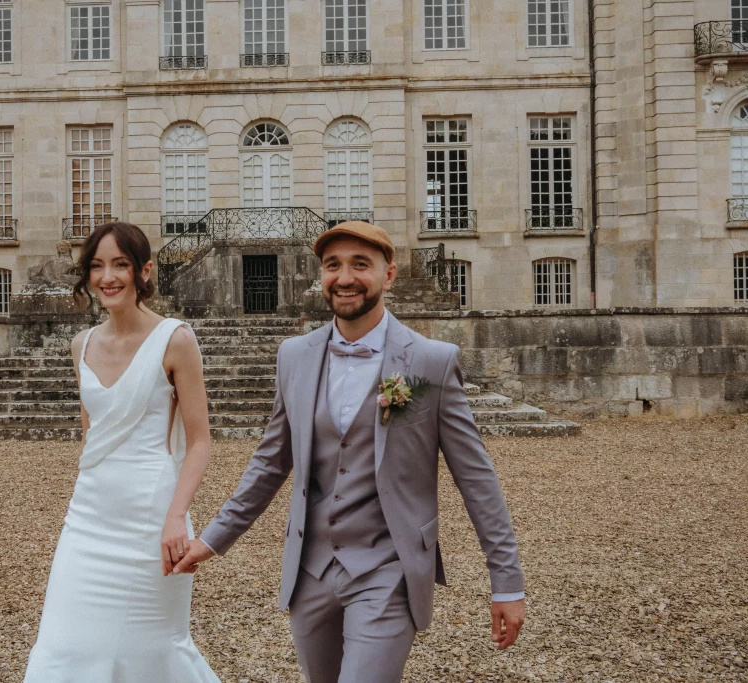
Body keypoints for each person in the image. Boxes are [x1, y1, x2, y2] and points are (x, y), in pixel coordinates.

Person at [173, 221, 526, 683]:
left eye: (361, 265)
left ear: (389, 275)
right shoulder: (294, 356)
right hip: (310, 571)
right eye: (333, 265)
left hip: (388, 568)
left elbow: (476, 479)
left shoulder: (430, 362)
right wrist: (214, 538)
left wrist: (507, 581)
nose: (344, 278)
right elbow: (270, 461)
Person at [23, 222, 219, 682]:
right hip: (88, 521)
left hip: (151, 520)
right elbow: (92, 439)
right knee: (61, 647)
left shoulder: (176, 339)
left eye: (119, 265)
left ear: (144, 270)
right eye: (96, 266)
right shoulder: (82, 345)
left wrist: (177, 517)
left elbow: (201, 442)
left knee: (152, 650)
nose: (106, 277)